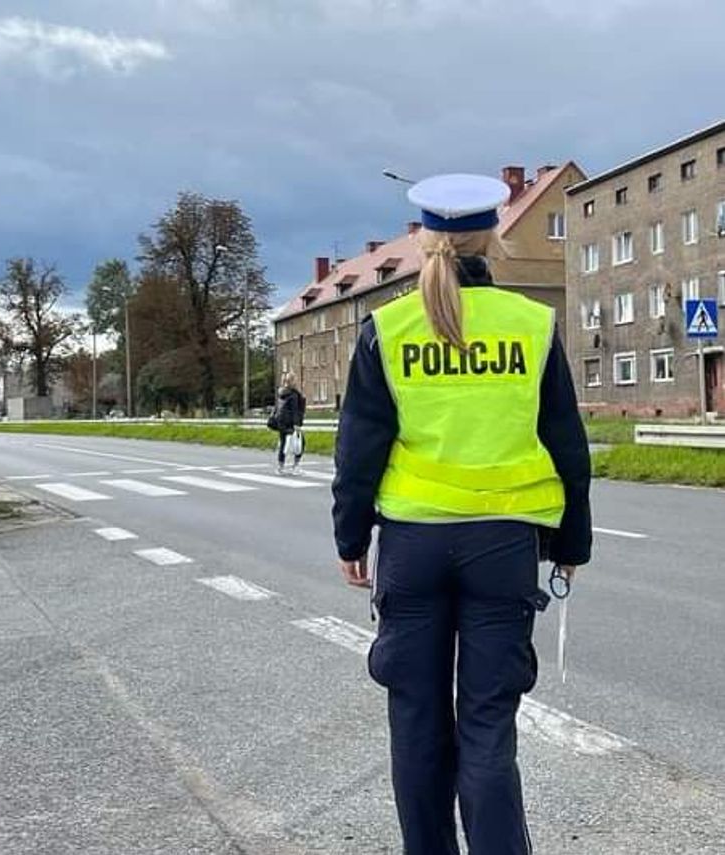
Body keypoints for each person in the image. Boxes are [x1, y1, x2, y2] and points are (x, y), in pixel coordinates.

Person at [331, 174, 592, 854]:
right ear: (493, 240)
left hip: (413, 546)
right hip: (502, 549)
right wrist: (571, 542)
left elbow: (360, 447)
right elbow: (566, 442)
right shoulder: (532, 325)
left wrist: (351, 536)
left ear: (421, 237)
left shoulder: (386, 329)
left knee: (416, 721)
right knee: (487, 725)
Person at [272, 373, 306, 475]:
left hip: (281, 423)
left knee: (283, 444)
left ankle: (280, 467)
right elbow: (295, 410)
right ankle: (295, 466)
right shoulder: (293, 394)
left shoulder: (282, 393)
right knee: (300, 443)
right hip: (291, 423)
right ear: (293, 381)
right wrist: (297, 424)